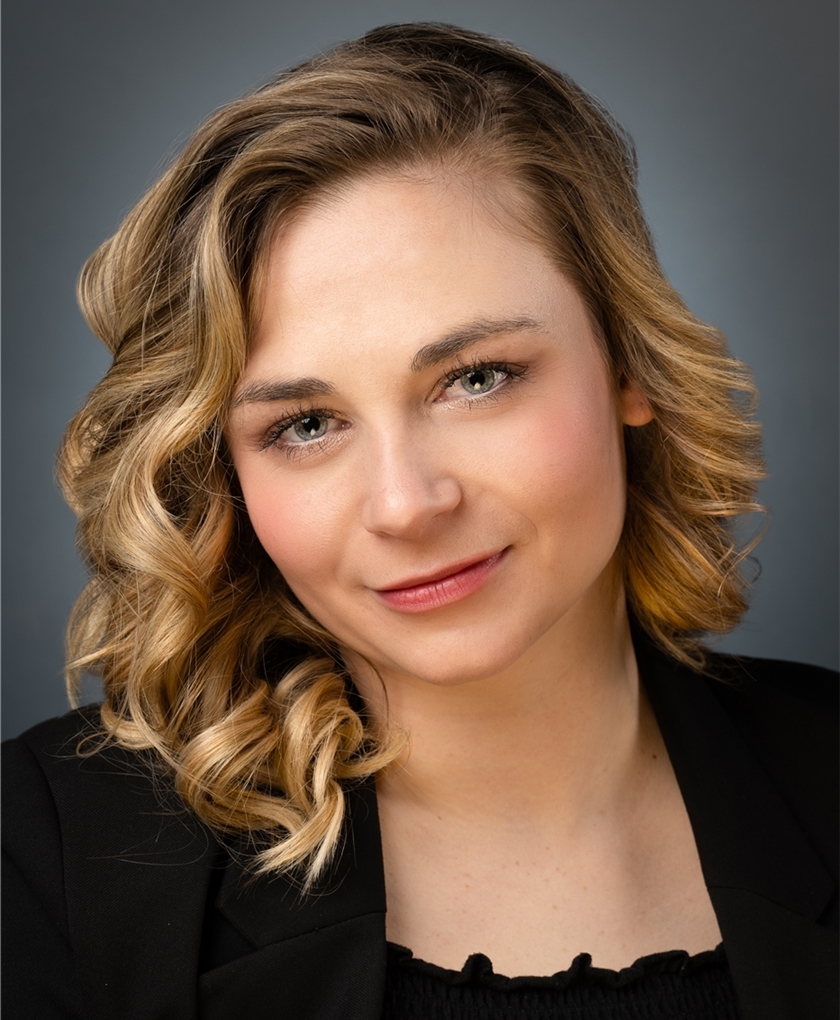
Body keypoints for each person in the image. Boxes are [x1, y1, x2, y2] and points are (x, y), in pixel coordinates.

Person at [2, 22, 836, 1020]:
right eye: (306, 426)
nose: (406, 504)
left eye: (476, 378)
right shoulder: (46, 858)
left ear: (629, 364)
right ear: (224, 474)